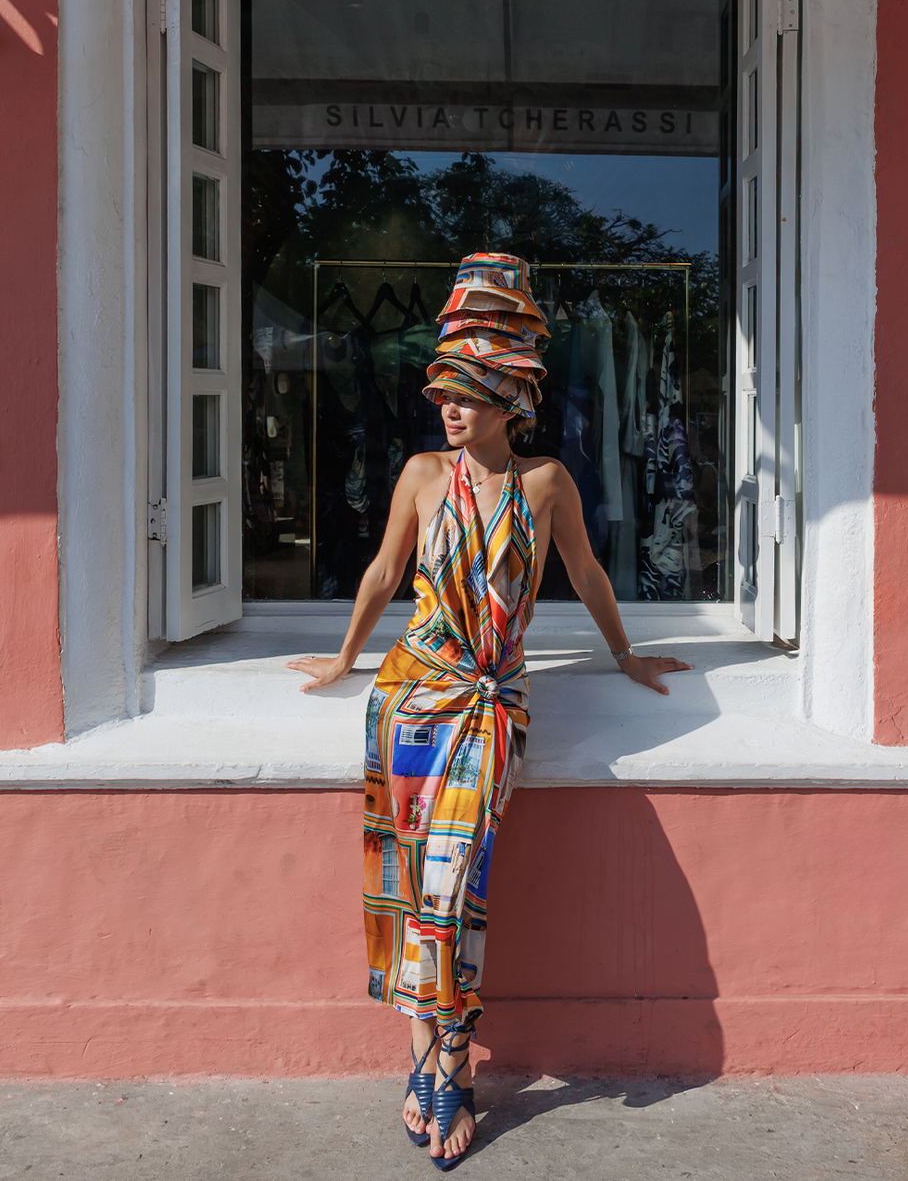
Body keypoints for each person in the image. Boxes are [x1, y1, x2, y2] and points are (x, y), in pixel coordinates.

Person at [287, 255, 692, 1170]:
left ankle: (452, 1051)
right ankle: (430, 1057)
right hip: (408, 701)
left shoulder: (543, 483)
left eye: (471, 393)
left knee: (453, 882)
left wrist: (623, 652)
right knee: (407, 885)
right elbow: (386, 573)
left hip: (488, 709)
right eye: (446, 393)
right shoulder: (422, 473)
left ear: (515, 399)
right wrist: (348, 658)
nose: (452, 408)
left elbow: (586, 573)